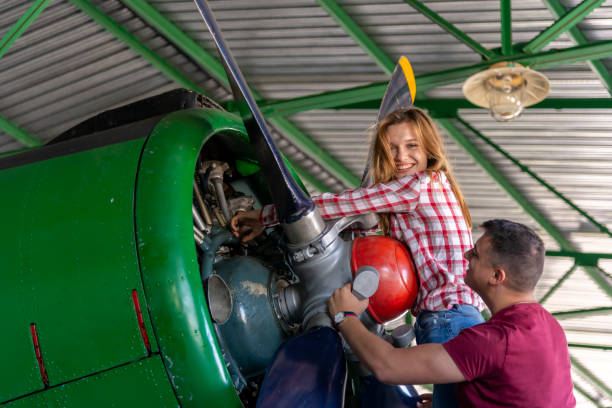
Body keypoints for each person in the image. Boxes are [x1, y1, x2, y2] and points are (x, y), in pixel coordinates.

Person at [231, 107, 484, 407]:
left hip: (447, 319)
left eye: (411, 146)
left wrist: (267, 216)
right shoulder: (431, 190)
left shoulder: (418, 186)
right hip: (457, 318)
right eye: (392, 149)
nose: (402, 156)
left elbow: (352, 203)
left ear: (430, 148)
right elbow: (369, 223)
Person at [329, 219, 576, 408]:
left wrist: (346, 316)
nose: (466, 255)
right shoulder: (551, 328)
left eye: (475, 254)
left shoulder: (495, 341)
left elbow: (387, 366)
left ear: (496, 276)